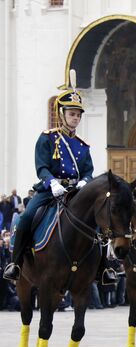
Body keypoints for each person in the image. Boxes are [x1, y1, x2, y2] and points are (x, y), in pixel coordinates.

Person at [3, 79, 94, 282]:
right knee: (27, 218)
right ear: (62, 114)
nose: (76, 118)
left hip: (75, 192)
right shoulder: (47, 138)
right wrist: (52, 183)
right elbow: (41, 166)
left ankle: (103, 268)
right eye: (72, 114)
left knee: (97, 223)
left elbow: (89, 170)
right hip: (49, 190)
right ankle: (15, 264)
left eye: (78, 115)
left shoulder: (83, 145)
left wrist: (85, 182)